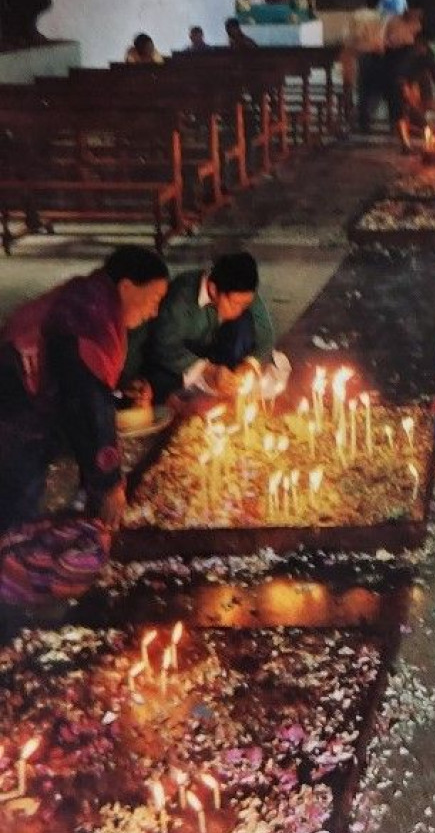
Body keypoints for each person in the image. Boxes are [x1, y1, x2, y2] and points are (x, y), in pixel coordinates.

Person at [0, 247, 170, 608]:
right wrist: (108, 482)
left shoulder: (95, 300)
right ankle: (13, 602)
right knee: (15, 504)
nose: (154, 311)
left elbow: (86, 380)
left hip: (24, 406)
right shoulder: (90, 315)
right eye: (153, 298)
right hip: (13, 409)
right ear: (127, 286)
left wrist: (121, 389)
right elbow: (86, 403)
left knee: (20, 502)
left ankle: (17, 583)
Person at [128, 251, 275, 404]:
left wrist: (249, 365)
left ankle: (225, 387)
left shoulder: (242, 292)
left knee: (245, 323)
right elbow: (164, 346)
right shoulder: (180, 298)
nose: (239, 309)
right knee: (155, 388)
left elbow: (265, 335)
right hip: (178, 362)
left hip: (216, 356)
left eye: (245, 303)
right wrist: (207, 370)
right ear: (212, 289)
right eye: (235, 304)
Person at [394, 32, 435, 153]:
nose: (421, 49)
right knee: (402, 112)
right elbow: (399, 76)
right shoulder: (405, 55)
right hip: (399, 81)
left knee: (417, 114)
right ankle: (405, 145)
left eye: (423, 47)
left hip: (414, 81)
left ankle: (420, 127)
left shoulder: (427, 54)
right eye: (418, 47)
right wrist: (406, 90)